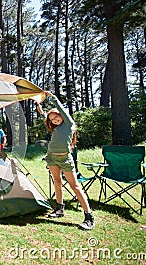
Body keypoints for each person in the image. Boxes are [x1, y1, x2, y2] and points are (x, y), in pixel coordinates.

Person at [37, 91, 95, 230]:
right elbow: (47, 117)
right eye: (52, 120)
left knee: (75, 186)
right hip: (51, 157)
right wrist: (42, 112)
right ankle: (59, 208)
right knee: (57, 182)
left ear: (61, 115)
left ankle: (89, 216)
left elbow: (62, 111)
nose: (54, 120)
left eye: (56, 117)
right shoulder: (57, 128)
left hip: (64, 159)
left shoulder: (69, 124)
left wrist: (53, 98)